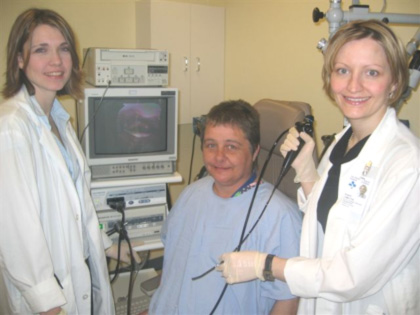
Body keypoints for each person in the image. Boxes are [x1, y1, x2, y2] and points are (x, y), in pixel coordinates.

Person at [217, 20, 420, 314]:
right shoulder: (342, 142)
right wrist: (308, 174)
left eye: (371, 72)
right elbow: (336, 223)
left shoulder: (407, 164)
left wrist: (265, 265)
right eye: (343, 70)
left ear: (395, 83)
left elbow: (353, 277)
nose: (353, 85)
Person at [0, 8, 140, 314]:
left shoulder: (60, 120)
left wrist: (107, 245)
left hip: (78, 272)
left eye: (63, 49)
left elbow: (80, 206)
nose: (57, 61)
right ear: (19, 60)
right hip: (47, 298)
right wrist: (48, 306)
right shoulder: (11, 127)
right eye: (41, 50)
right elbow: (15, 230)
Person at [148, 100, 302, 314]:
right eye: (211, 145)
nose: (219, 156)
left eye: (231, 146)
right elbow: (172, 264)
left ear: (255, 151)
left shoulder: (279, 216)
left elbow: (287, 301)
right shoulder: (191, 194)